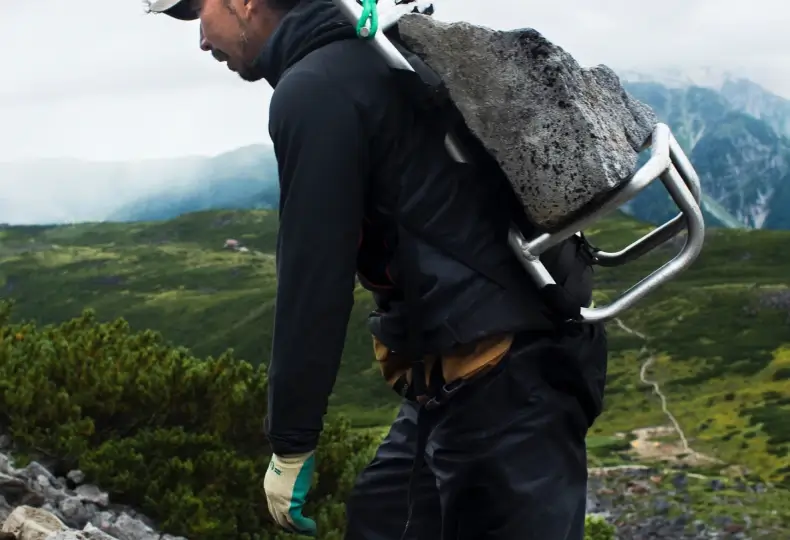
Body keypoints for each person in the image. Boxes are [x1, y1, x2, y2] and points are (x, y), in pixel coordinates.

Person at [147, 0, 609, 538]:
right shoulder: (372, 51)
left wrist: (292, 442)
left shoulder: (316, 87)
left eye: (196, 11)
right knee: (380, 517)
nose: (201, 41)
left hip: (503, 378)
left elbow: (313, 278)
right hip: (469, 373)